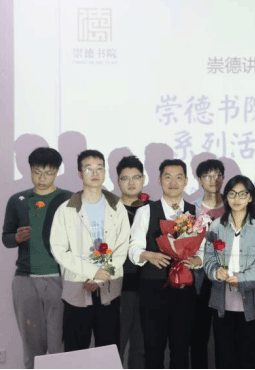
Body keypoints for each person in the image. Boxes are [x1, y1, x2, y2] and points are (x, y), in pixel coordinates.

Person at [50, 150, 131, 352]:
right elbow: (59, 250)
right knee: (75, 351)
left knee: (108, 350)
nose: (95, 173)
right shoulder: (65, 209)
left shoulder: (117, 207)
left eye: (99, 168)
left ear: (105, 172)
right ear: (80, 173)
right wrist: (92, 272)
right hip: (77, 288)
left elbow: (122, 247)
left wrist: (102, 275)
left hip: (109, 288)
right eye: (88, 169)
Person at [2, 147, 72, 369]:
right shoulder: (17, 200)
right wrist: (16, 237)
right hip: (25, 279)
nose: (42, 179)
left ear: (57, 171)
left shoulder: (69, 199)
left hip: (60, 278)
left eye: (48, 173)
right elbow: (6, 238)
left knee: (59, 343)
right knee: (31, 343)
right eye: (37, 172)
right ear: (30, 169)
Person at [128, 159, 200, 369]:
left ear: (186, 181)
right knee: (153, 348)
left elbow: (203, 249)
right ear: (159, 180)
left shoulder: (195, 212)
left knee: (181, 348)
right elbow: (133, 248)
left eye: (179, 177)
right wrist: (148, 255)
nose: (173, 182)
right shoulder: (145, 212)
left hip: (185, 290)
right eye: (168, 177)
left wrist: (198, 260)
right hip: (153, 288)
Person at [203, 175, 255, 369]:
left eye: (242, 194)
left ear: (250, 197)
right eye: (232, 193)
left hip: (250, 299)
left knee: (246, 355)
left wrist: (242, 279)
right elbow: (208, 257)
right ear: (227, 196)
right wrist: (215, 272)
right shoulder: (217, 225)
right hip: (222, 299)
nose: (237, 198)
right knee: (224, 354)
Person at [190, 159, 226, 369]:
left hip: (225, 278)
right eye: (207, 176)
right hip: (199, 278)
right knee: (198, 336)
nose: (213, 180)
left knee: (225, 337)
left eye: (218, 175)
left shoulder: (232, 206)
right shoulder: (192, 208)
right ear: (199, 180)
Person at [116, 155, 149, 369]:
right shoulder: (109, 209)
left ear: (143, 179)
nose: (131, 183)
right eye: (125, 178)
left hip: (148, 287)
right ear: (118, 181)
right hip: (118, 287)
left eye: (136, 177)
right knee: (115, 344)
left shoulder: (153, 209)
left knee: (141, 347)